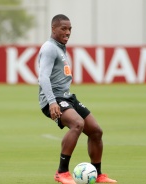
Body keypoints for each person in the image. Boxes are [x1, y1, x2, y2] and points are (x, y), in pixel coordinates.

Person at [38, 14, 117, 184]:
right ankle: (61, 172)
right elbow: (43, 77)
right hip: (53, 99)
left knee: (96, 131)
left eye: (69, 29)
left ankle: (97, 174)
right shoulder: (49, 48)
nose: (67, 32)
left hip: (66, 97)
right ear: (53, 29)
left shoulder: (60, 47)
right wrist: (52, 102)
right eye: (63, 29)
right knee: (77, 124)